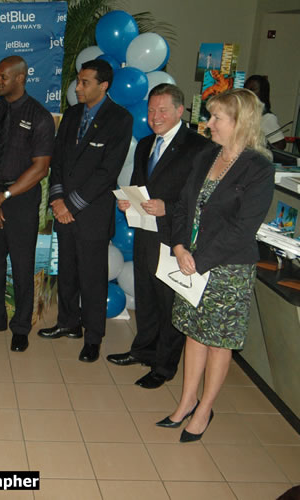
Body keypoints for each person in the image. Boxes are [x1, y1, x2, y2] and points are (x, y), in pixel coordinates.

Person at [160, 88, 274, 442]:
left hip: (226, 269)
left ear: (240, 123)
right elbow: (182, 205)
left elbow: (243, 229)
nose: (208, 124)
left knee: (218, 341)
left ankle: (205, 409)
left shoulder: (258, 168)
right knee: (194, 334)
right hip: (190, 259)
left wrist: (200, 260)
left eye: (216, 118)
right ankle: (186, 401)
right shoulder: (207, 155)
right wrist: (179, 246)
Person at [106, 84, 213, 388]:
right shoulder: (145, 144)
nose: (155, 116)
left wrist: (169, 207)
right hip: (145, 235)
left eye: (163, 110)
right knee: (147, 297)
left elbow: (202, 200)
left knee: (169, 305)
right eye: (152, 110)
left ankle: (164, 366)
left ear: (180, 111)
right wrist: (129, 201)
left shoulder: (198, 147)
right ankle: (142, 350)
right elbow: (141, 185)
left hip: (175, 239)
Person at [40, 59, 132, 363]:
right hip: (63, 209)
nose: (77, 88)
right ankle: (68, 323)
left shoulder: (119, 119)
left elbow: (107, 172)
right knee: (66, 272)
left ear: (103, 85)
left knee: (92, 278)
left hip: (90, 213)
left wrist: (71, 205)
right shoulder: (73, 114)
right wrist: (57, 199)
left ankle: (93, 337)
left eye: (85, 82)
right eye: (78, 81)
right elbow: (58, 160)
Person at [0, 55, 54, 353]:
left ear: (21, 78)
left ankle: (21, 326)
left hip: (20, 200)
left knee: (21, 264)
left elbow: (40, 168)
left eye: (3, 77)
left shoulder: (39, 116)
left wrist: (3, 198)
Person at [244, 74, 287, 149]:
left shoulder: (267, 117)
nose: (248, 93)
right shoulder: (245, 113)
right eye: (245, 89)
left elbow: (280, 145)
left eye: (252, 89)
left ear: (262, 92)